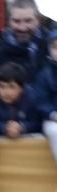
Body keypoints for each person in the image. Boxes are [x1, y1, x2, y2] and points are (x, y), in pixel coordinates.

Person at [0, 0, 48, 81]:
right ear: (9, 21)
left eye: (28, 21)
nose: (22, 28)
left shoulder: (51, 46)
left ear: (38, 20)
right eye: (16, 21)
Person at [0, 63, 43, 140]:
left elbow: (38, 122)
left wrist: (21, 127)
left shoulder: (32, 97)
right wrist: (4, 127)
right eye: (1, 86)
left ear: (22, 88)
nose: (6, 92)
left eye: (11, 87)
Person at [32, 31, 57, 164]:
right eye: (55, 47)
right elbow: (40, 101)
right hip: (52, 119)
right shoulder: (44, 74)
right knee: (55, 132)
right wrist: (52, 114)